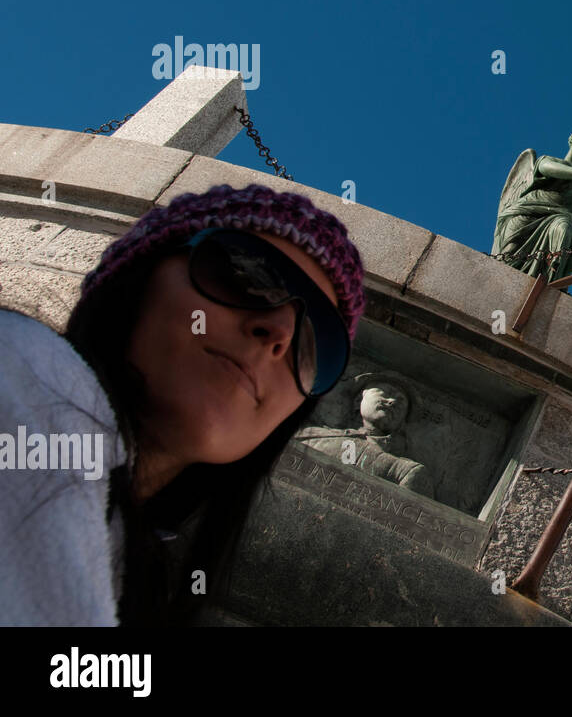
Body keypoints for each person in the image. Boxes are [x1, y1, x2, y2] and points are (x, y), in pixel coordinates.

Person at [0, 183, 365, 625]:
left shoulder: (133, 558)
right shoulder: (20, 373)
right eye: (243, 275)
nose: (279, 332)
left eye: (314, 345)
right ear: (141, 276)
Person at [296, 376, 436, 496]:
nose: (392, 401)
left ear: (403, 422)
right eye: (383, 392)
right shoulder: (311, 436)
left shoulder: (408, 471)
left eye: (401, 401)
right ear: (358, 401)